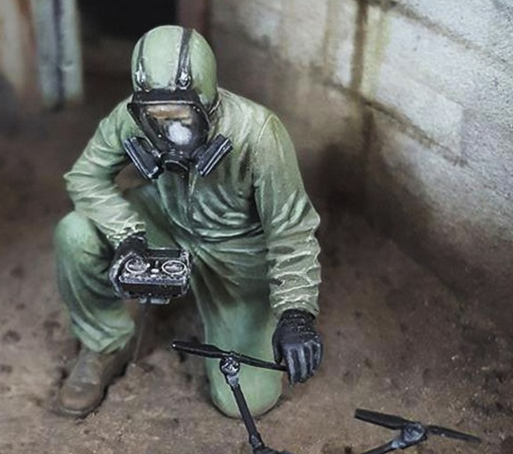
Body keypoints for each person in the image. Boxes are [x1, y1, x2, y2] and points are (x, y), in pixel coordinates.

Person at [54, 25, 322, 418]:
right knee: (75, 233)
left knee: (244, 401)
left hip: (236, 253)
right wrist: (127, 234)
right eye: (155, 119)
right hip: (164, 221)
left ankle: (240, 316)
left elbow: (291, 229)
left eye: (180, 118)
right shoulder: (131, 117)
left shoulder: (258, 133)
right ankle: (104, 343)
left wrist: (296, 312)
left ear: (207, 103)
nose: (168, 132)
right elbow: (85, 176)